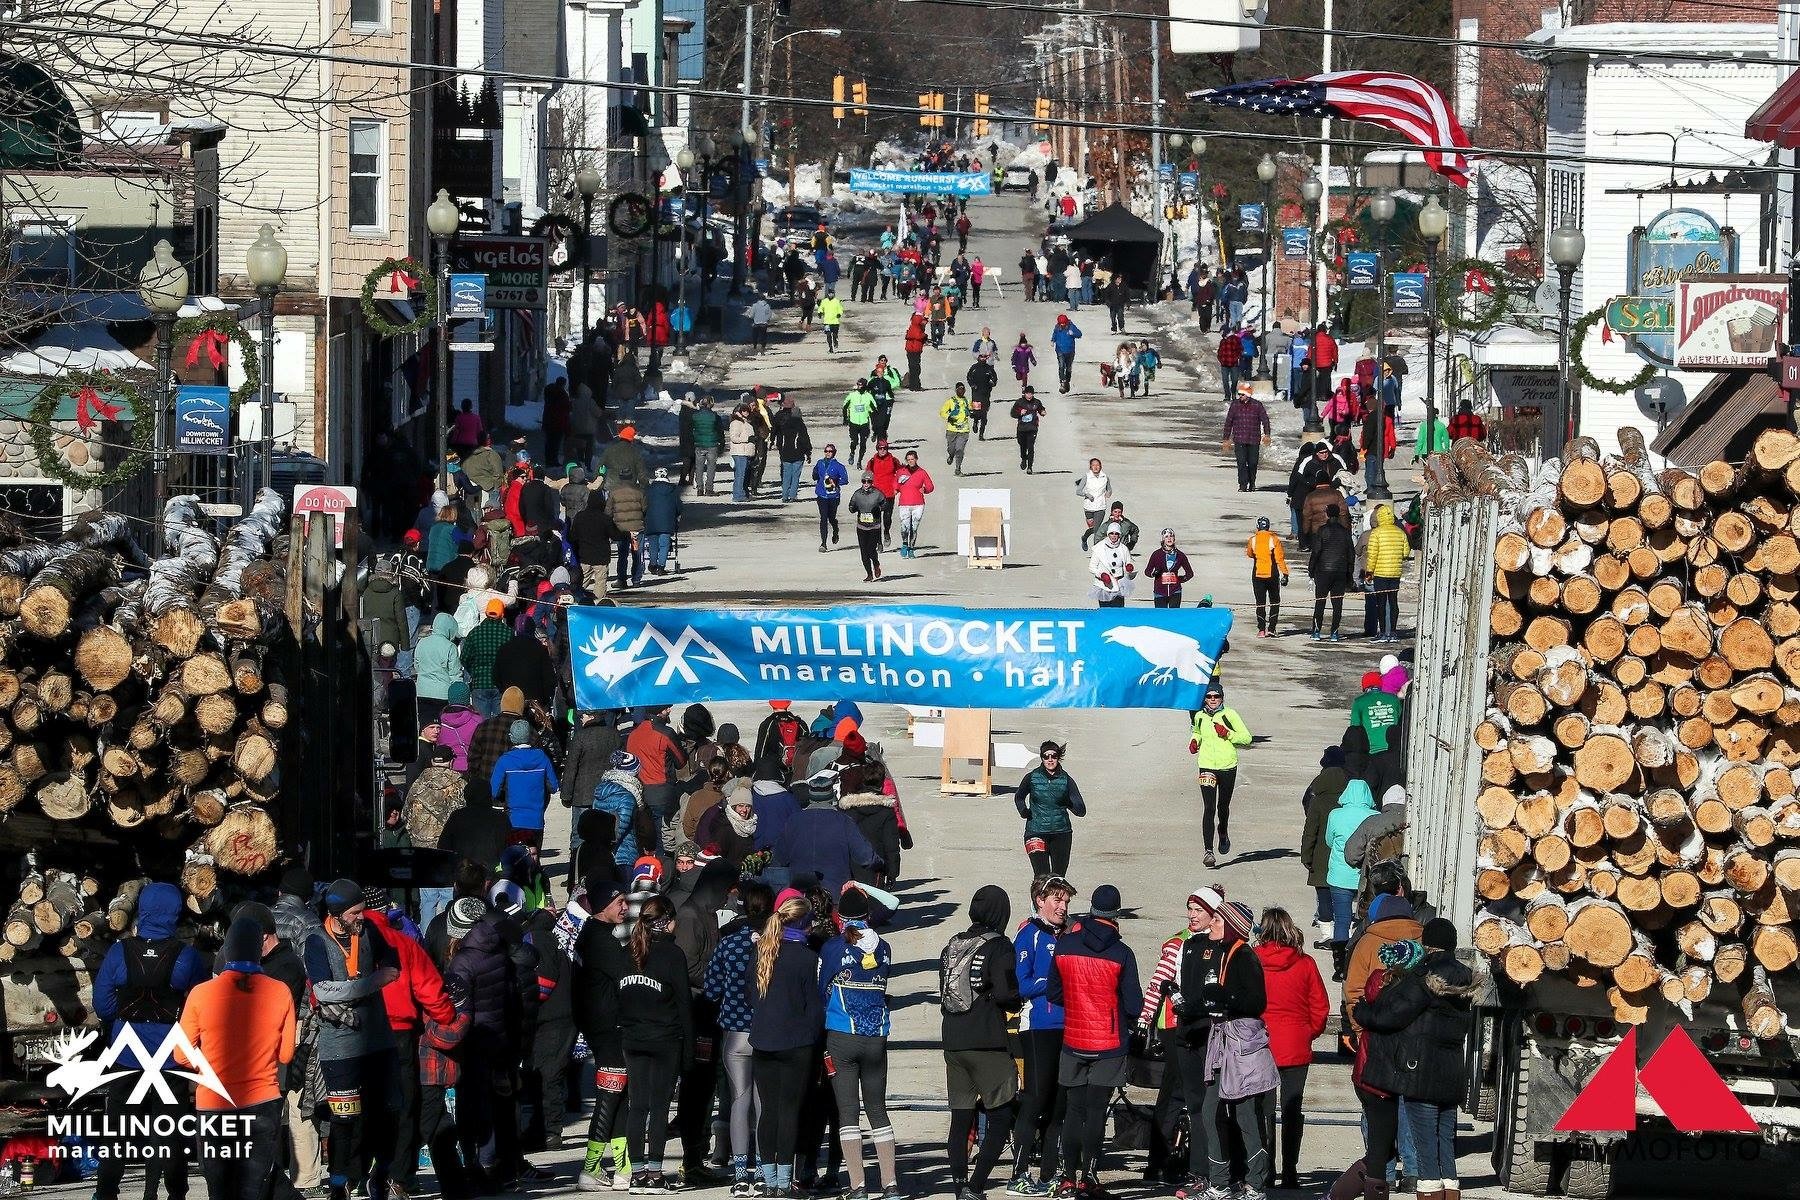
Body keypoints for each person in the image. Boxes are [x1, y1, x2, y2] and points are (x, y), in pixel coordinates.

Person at [93, 882, 209, 1200]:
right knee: (169, 1131)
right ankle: (173, 1192)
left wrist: (124, 1016)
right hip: (170, 1057)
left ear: (141, 910)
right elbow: (200, 1006)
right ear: (174, 914)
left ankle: (105, 1191)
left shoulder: (119, 952)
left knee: (117, 1130)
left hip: (126, 1055)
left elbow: (102, 1005)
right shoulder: (187, 957)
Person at [1354, 919, 1474, 1200]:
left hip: (1421, 1074)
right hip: (1452, 1073)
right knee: (1445, 1146)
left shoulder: (1424, 976)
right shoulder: (1465, 977)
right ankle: (1450, 1193)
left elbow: (1392, 1014)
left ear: (1427, 943)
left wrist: (1363, 1013)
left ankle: (1429, 1193)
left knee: (1425, 1149)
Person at [179, 915, 297, 1200]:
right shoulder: (280, 991)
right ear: (259, 951)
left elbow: (181, 1054)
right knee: (254, 1188)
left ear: (227, 951)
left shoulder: (200, 993)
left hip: (214, 1104)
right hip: (262, 1102)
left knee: (220, 1189)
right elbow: (285, 1054)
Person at [303, 880, 403, 1200]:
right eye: (355, 913)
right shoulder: (317, 941)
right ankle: (338, 1183)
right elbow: (323, 990)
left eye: (362, 910)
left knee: (388, 1111)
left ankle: (380, 1175)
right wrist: (370, 983)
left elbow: (393, 967)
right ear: (336, 914)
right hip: (340, 1045)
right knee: (344, 1119)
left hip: (378, 1039)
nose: (362, 917)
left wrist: (353, 987)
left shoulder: (369, 931)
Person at [1048, 885, 1143, 1197]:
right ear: (1116, 915)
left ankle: (1067, 1176)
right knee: (1096, 1112)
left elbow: (1054, 993)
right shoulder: (1122, 953)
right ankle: (1089, 1176)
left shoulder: (1065, 945)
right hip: (1108, 1042)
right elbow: (1134, 1006)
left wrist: (1078, 1003)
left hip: (1073, 1038)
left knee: (1073, 1110)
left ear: (1091, 910)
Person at [1173, 901, 1272, 1200]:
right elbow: (1216, 999)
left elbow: (1256, 1002)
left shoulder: (1244, 955)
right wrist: (1192, 1006)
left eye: (1217, 920)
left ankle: (1255, 1183)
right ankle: (1219, 1182)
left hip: (1241, 1046)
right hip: (1222, 1043)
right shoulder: (1224, 952)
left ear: (1231, 926)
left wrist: (1225, 998)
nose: (1211, 925)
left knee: (1245, 1114)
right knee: (1210, 1110)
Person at [819, 886, 900, 1200]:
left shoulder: (833, 947)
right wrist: (862, 886)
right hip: (876, 1036)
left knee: (848, 1113)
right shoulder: (884, 948)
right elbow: (892, 904)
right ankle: (890, 1185)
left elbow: (821, 989)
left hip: (842, 1036)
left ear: (839, 917)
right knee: (878, 1110)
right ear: (868, 916)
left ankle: (858, 1187)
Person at [940, 886, 1021, 1200]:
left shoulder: (953, 944)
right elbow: (1006, 993)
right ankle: (975, 1186)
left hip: (953, 1039)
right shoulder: (1000, 946)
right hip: (987, 1040)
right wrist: (1018, 1000)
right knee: (1000, 1117)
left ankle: (959, 1186)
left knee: (960, 1118)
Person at [616, 895, 694, 1193]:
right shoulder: (672, 955)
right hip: (665, 1039)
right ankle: (655, 1174)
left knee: (637, 1106)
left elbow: (617, 997)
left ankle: (637, 1175)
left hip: (632, 1037)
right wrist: (689, 1052)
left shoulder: (627, 952)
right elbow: (684, 1005)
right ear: (667, 921)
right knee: (659, 1107)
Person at [748, 892, 825, 1197]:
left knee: (768, 1111)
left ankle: (768, 1181)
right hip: (796, 1043)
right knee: (789, 1111)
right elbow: (815, 1008)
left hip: (763, 1040)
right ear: (804, 924)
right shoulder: (808, 958)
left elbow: (751, 996)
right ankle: (783, 1181)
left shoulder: (761, 952)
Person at [1253, 909, 1329, 1193]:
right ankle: (1290, 1170)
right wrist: (1308, 1032)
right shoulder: (1305, 963)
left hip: (1261, 1043)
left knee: (1264, 1109)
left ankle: (1266, 1168)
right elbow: (1319, 1005)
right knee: (1292, 1109)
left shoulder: (1253, 961)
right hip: (1295, 1042)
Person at [1010, 876, 1072, 1197]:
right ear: (1040, 900)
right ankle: (1019, 1175)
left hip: (1069, 1027)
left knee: (1059, 1104)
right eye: (1057, 900)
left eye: (1066, 901)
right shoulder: (1029, 934)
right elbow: (1021, 984)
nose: (1063, 907)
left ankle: (1049, 1174)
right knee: (1035, 1100)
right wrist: (1056, 980)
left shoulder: (1070, 934)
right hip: (1038, 1026)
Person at [573, 882, 633, 1192]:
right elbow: (627, 977)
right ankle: (591, 1167)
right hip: (608, 1029)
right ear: (602, 905)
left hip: (604, 1027)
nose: (625, 907)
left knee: (620, 1094)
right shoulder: (600, 940)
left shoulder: (594, 934)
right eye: (620, 901)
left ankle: (623, 1166)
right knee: (610, 1095)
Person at [1190, 682, 1252, 867]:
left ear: (1222, 698)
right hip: (1207, 766)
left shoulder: (1229, 715)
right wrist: (1194, 741)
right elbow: (1197, 732)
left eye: (1216, 696)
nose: (1212, 700)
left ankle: (1223, 831)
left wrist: (1228, 733)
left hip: (1227, 767)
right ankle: (1208, 851)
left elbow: (1247, 738)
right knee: (1209, 808)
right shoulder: (1200, 716)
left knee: (1222, 807)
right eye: (1209, 697)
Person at [1013, 741, 1086, 877]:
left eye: (1054, 756)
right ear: (1042, 758)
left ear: (1058, 757)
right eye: (1046, 756)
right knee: (1041, 876)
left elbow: (1081, 811)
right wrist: (1023, 811)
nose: (1050, 760)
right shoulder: (1032, 777)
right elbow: (1019, 797)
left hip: (1061, 833)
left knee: (1058, 878)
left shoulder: (1066, 780)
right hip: (1035, 832)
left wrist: (1068, 802)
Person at [491, 719, 559, 846]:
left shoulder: (505, 760)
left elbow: (494, 791)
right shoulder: (542, 757)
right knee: (534, 854)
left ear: (511, 738)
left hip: (513, 819)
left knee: (515, 854)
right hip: (536, 819)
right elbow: (554, 786)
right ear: (529, 736)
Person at [1365, 504, 1411, 643]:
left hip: (1380, 573)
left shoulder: (1376, 533)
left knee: (1381, 602)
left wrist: (1369, 572)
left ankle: (1383, 632)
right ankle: (1393, 632)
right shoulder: (1400, 532)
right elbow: (1406, 552)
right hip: (1395, 572)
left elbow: (1372, 555)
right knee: (1393, 601)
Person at [1310, 503, 1355, 641]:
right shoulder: (1345, 531)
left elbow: (1316, 551)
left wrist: (1311, 569)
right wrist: (1349, 573)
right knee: (1337, 604)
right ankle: (1334, 632)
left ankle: (1316, 631)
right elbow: (1351, 554)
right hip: (1340, 570)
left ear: (1327, 514)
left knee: (1320, 602)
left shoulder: (1322, 530)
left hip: (1323, 570)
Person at [1245, 517, 1289, 637]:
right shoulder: (1274, 539)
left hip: (1258, 574)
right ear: (1268, 527)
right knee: (1274, 601)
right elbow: (1279, 558)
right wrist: (1285, 574)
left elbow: (1249, 554)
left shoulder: (1253, 540)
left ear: (1257, 527)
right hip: (1272, 574)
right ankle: (1272, 628)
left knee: (1260, 603)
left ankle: (1261, 630)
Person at [1224, 384, 1272, 493]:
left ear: (1248, 395)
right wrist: (1226, 438)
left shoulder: (1257, 405)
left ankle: (1252, 482)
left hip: (1253, 439)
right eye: (1239, 394)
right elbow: (1228, 422)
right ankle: (1242, 484)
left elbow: (1265, 420)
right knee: (1241, 462)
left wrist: (1267, 434)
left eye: (1242, 394)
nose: (1240, 396)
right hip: (1239, 439)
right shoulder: (1235, 405)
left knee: (1253, 463)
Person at [774, 395, 814, 504]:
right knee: (795, 476)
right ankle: (792, 495)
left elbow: (779, 436)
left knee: (786, 475)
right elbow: (805, 440)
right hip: (798, 454)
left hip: (786, 453)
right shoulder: (800, 425)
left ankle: (784, 495)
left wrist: (779, 447)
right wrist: (808, 452)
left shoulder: (784, 424)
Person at [895, 450, 934, 559]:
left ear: (916, 459)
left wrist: (925, 489)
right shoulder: (901, 472)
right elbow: (895, 483)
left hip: (918, 504)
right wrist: (895, 489)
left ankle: (911, 549)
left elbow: (930, 486)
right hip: (904, 503)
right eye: (908, 460)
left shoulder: (922, 472)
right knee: (904, 526)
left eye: (912, 459)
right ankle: (904, 544)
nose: (910, 461)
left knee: (914, 527)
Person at [848, 470, 886, 582]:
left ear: (872, 482)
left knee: (870, 549)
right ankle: (869, 574)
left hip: (874, 527)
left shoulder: (877, 493)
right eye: (864, 481)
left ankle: (876, 563)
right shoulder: (857, 494)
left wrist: (878, 509)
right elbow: (851, 506)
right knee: (864, 553)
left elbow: (885, 504)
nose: (866, 483)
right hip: (861, 527)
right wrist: (853, 508)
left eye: (868, 481)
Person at [813, 443, 850, 553]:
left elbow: (845, 480)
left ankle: (835, 529)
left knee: (831, 517)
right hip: (821, 495)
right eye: (826, 451)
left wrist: (836, 482)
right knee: (823, 518)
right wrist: (815, 474)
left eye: (830, 451)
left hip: (833, 496)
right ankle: (823, 543)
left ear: (834, 453)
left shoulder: (838, 466)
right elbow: (815, 475)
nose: (828, 453)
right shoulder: (820, 463)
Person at [1089, 523, 1134, 608]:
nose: (1114, 536)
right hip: (1104, 585)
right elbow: (1092, 567)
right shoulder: (1099, 548)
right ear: (1108, 534)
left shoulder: (1123, 548)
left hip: (1119, 584)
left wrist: (1129, 567)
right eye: (1111, 533)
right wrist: (1101, 575)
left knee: (1118, 611)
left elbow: (1128, 562)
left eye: (1116, 533)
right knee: (1105, 611)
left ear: (1119, 535)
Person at [1149, 527, 1196, 608]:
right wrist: (1154, 574)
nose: (1169, 539)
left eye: (1171, 536)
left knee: (1174, 614)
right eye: (1166, 537)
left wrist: (1180, 579)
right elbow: (1147, 571)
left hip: (1175, 591)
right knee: (1161, 614)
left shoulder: (1180, 555)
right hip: (1159, 591)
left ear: (1174, 539)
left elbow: (1190, 573)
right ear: (1163, 539)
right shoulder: (1156, 554)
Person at [1074, 458, 1111, 550]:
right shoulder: (1086, 477)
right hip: (1088, 507)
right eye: (1093, 465)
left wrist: (1108, 493)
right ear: (1090, 467)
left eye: (1097, 465)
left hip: (1100, 507)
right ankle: (1084, 538)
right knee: (1093, 529)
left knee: (1097, 530)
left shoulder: (1105, 477)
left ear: (1100, 466)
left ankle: (1096, 551)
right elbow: (1078, 491)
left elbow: (1109, 489)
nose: (1096, 467)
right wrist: (1086, 494)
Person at [1011, 388, 1046, 473]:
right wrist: (1020, 413)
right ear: (1025, 394)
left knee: (1031, 447)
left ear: (1033, 394)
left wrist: (1042, 412)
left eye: (1031, 394)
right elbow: (1012, 413)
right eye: (1027, 393)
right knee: (1022, 445)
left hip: (1032, 428)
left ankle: (1030, 467)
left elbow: (1041, 409)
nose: (1029, 395)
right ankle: (1024, 459)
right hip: (1021, 428)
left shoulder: (1036, 402)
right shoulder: (1019, 402)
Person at [942, 384, 974, 476]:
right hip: (951, 430)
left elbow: (975, 409)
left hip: (963, 430)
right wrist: (949, 417)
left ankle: (958, 469)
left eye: (963, 389)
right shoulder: (950, 401)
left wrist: (976, 413)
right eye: (959, 389)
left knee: (960, 450)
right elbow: (942, 412)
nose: (961, 391)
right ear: (956, 390)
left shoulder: (967, 401)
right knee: (951, 449)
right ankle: (951, 455)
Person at [842, 381, 875, 467]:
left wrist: (874, 423)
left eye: (861, 385)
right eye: (858, 385)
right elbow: (844, 407)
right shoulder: (852, 395)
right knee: (855, 441)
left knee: (863, 443)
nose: (860, 387)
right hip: (854, 422)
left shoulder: (868, 396)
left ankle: (859, 461)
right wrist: (845, 419)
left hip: (864, 423)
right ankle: (852, 453)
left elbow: (874, 409)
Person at [967, 354, 998, 440]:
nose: (983, 359)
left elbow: (994, 378)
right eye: (981, 357)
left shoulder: (989, 368)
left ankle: (981, 434)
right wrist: (972, 385)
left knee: (984, 415)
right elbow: (969, 377)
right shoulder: (974, 367)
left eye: (984, 357)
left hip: (986, 394)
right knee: (976, 412)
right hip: (976, 394)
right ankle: (975, 422)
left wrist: (993, 383)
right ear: (978, 358)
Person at [1051, 314, 1081, 393]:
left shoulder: (1071, 327)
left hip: (1070, 351)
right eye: (1061, 323)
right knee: (1061, 366)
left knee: (1068, 367)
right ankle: (1062, 382)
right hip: (1060, 350)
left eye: (1064, 323)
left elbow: (1079, 334)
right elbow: (1055, 334)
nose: (1062, 325)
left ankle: (1067, 381)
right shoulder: (1057, 327)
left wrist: (1073, 333)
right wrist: (1053, 340)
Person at [1216, 326, 1244, 399]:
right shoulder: (1222, 341)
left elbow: (1240, 349)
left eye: (1222, 332)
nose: (1221, 334)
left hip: (1234, 364)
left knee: (1234, 380)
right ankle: (1227, 395)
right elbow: (1220, 351)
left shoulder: (1235, 339)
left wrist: (1236, 357)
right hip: (1224, 364)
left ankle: (1233, 392)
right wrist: (1220, 359)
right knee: (1225, 381)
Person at [904, 312, 928, 389]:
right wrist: (924, 336)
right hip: (914, 349)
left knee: (913, 367)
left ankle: (914, 385)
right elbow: (918, 336)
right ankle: (915, 385)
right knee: (915, 368)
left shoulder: (913, 326)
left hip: (912, 349)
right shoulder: (916, 327)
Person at [820, 289, 845, 353]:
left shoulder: (836, 301)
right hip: (827, 322)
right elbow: (821, 308)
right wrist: (820, 312)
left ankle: (835, 341)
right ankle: (830, 348)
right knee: (828, 335)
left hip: (835, 322)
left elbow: (840, 309)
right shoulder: (824, 301)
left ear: (834, 294)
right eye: (829, 293)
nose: (831, 295)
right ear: (828, 294)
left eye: (832, 293)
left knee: (835, 334)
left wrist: (839, 313)